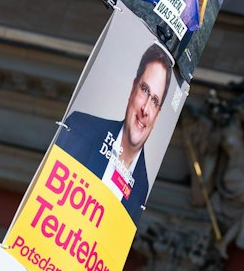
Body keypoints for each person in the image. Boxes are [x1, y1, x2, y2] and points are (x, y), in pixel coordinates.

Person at [53, 42, 173, 219]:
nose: (146, 109)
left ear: (157, 114)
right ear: (133, 88)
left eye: (155, 101)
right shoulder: (79, 128)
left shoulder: (142, 189)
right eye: (144, 90)